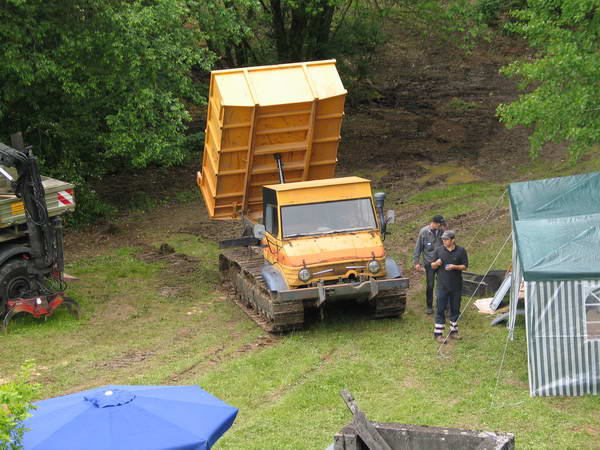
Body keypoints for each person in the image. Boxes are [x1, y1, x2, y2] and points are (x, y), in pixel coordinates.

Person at [430, 230, 468, 343]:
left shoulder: (461, 251)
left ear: (453, 240)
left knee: (455, 309)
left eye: (446, 239)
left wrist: (455, 267)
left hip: (456, 285)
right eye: (443, 239)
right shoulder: (439, 250)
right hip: (442, 285)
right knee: (440, 308)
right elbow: (432, 265)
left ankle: (454, 332)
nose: (444, 241)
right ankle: (438, 334)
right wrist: (436, 263)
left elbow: (465, 266)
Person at [413, 215, 445, 314]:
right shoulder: (424, 232)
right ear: (434, 223)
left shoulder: (442, 232)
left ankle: (442, 305)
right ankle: (429, 306)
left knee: (443, 284)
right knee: (430, 285)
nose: (441, 227)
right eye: (440, 225)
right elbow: (418, 248)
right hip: (429, 263)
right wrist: (416, 262)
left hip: (440, 262)